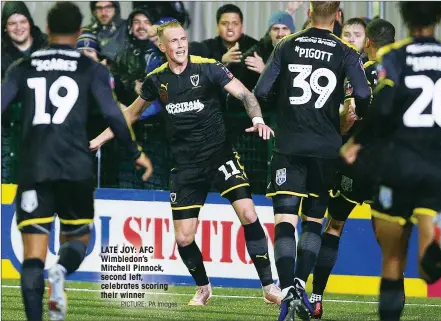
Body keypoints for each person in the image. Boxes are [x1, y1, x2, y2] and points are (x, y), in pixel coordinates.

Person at [89, 20, 283, 306]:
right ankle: (203, 288)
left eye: (183, 39)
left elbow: (245, 93)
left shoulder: (209, 67)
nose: (180, 45)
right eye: (174, 41)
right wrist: (97, 141)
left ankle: (269, 286)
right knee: (183, 238)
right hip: (186, 165)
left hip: (220, 155)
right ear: (163, 46)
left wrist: (257, 119)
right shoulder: (157, 79)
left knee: (249, 214)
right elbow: (129, 114)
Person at [0, 3, 153, 321]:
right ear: (79, 30)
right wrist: (135, 153)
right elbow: (113, 114)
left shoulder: (22, 67)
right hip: (75, 168)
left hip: (35, 170)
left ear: (48, 28)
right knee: (78, 238)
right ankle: (61, 270)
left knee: (32, 257)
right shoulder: (92, 69)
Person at [340, 2, 441, 320]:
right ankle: (440, 249)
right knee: (427, 271)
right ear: (440, 17)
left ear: (405, 19)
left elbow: (383, 107)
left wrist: (357, 142)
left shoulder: (396, 56)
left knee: (392, 259)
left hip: (400, 164)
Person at [253, 1, 371, 320]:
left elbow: (262, 89)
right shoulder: (345, 49)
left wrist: (285, 106)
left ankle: (287, 290)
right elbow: (362, 93)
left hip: (290, 145)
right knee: (314, 222)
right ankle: (299, 287)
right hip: (326, 149)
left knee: (284, 221)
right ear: (336, 16)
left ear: (308, 13)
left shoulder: (287, 44)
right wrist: (349, 111)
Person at [308, 18, 396, 319]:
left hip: (358, 163)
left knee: (334, 225)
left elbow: (348, 117)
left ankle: (317, 296)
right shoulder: (404, 72)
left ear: (368, 41)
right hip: (391, 167)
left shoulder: (360, 71)